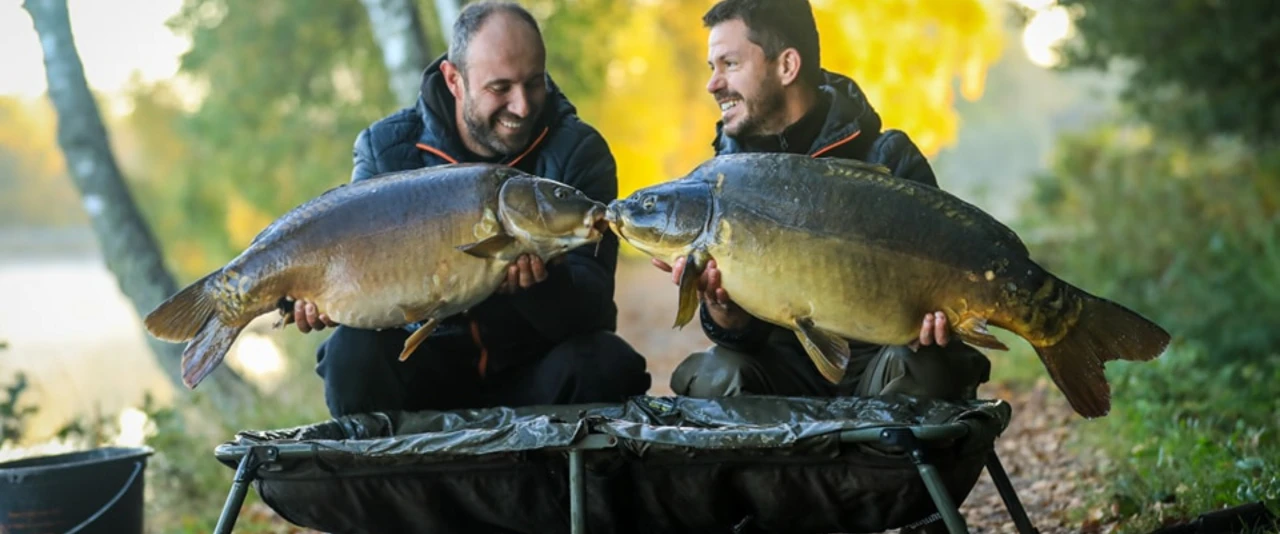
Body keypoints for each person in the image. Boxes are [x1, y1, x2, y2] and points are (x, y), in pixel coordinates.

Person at [291, 0, 651, 418]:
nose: (522, 106)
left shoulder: (578, 152)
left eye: (534, 83)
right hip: (426, 367)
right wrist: (314, 297)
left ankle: (558, 463)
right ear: (454, 80)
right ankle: (395, 465)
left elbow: (595, 307)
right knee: (350, 354)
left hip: (535, 372)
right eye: (500, 88)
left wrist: (541, 285)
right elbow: (354, 265)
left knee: (608, 363)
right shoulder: (386, 150)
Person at [657, 0, 991, 404]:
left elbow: (950, 277)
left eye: (730, 64)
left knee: (930, 367)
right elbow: (742, 341)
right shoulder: (721, 184)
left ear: (787, 66)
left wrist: (940, 327)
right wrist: (721, 307)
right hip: (785, 378)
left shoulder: (889, 159)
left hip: (882, 365)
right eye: (713, 67)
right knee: (716, 375)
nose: (713, 84)